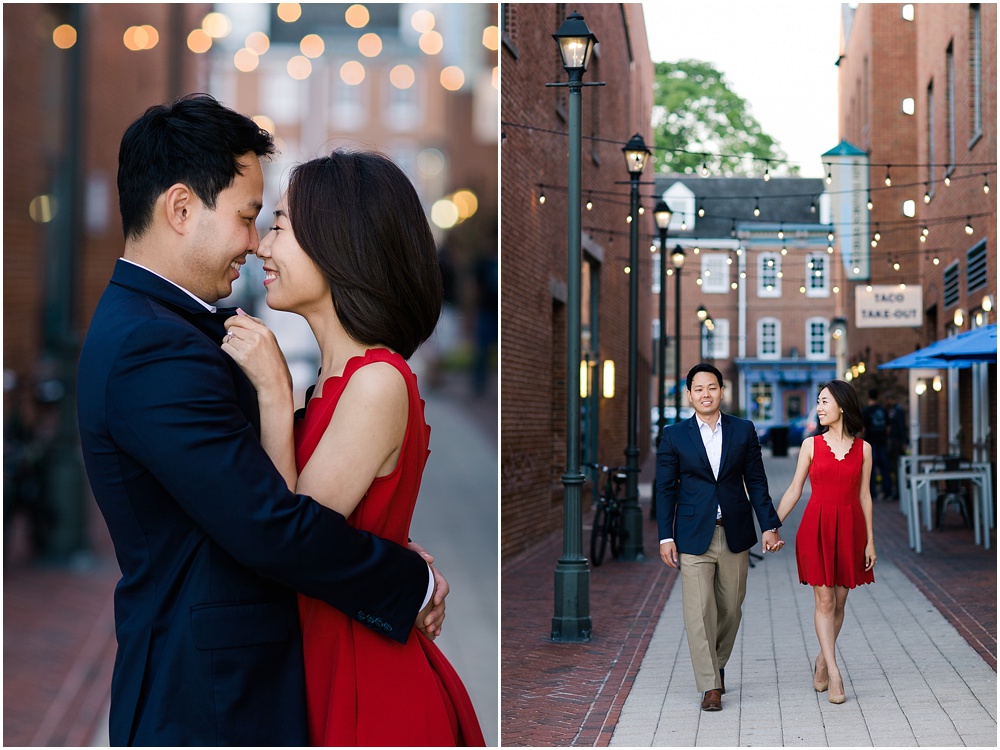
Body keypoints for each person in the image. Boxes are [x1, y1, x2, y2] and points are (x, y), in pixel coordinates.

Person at [77, 94, 446, 746]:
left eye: (272, 224)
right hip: (212, 701)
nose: (255, 243)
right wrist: (405, 578)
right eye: (252, 218)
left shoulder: (185, 331)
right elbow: (272, 529)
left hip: (276, 680)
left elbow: (287, 509)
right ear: (182, 209)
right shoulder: (152, 347)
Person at [222, 149, 485, 745]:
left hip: (370, 684)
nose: (262, 246)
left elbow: (294, 540)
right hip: (329, 662)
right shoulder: (334, 385)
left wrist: (270, 389)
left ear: (339, 242)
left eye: (281, 226)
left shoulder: (376, 380)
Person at [656, 363, 784, 712]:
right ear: (689, 394)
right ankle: (710, 684)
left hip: (734, 531)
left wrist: (769, 525)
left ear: (722, 391)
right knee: (698, 612)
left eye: (712, 388)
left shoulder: (743, 430)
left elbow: (756, 481)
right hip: (692, 535)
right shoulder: (674, 435)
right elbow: (665, 489)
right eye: (698, 389)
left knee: (730, 609)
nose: (706, 394)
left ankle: (717, 663)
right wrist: (665, 537)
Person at [775, 380, 876, 705]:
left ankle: (821, 659)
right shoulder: (810, 445)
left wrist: (870, 541)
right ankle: (834, 672)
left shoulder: (864, 450)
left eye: (824, 402)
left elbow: (865, 496)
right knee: (825, 601)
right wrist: (772, 525)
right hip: (816, 527)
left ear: (842, 406)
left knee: (841, 601)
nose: (818, 408)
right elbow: (794, 489)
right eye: (818, 402)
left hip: (850, 529)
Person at [862, 389, 892, 500]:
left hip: (871, 443)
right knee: (885, 468)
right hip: (882, 442)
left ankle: (872, 494)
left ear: (868, 396)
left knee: (871, 469)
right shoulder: (882, 410)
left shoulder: (866, 411)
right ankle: (887, 492)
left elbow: (863, 429)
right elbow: (889, 427)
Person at [886, 393, 908, 499]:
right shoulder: (894, 410)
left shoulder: (898, 411)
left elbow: (901, 427)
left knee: (897, 468)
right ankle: (898, 490)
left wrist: (903, 441)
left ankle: (900, 491)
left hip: (897, 442)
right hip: (894, 441)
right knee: (894, 468)